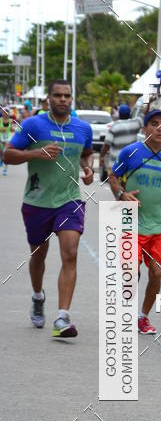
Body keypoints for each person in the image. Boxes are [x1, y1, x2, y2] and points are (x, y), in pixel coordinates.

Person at [4, 79, 94, 337]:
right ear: (48, 99)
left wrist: (88, 168)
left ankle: (62, 318)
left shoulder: (83, 128)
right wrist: (36, 153)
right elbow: (7, 154)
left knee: (70, 252)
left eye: (67, 95)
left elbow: (86, 153)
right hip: (37, 201)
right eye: (57, 95)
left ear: (72, 99)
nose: (62, 99)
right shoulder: (33, 125)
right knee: (38, 256)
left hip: (69, 200)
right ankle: (37, 296)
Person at [108, 109, 161, 335]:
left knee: (157, 274)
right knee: (132, 272)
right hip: (131, 222)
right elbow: (113, 177)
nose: (160, 128)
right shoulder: (131, 152)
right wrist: (121, 194)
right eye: (155, 124)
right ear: (144, 129)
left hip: (160, 225)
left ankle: (143, 316)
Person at [99, 103, 141, 182]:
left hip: (116, 164)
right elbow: (144, 114)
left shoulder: (114, 127)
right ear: (129, 114)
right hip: (130, 163)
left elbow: (107, 145)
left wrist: (102, 157)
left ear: (119, 114)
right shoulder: (136, 123)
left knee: (116, 185)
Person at [0, 108, 13, 175]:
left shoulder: (10, 121)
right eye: (4, 112)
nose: (5, 114)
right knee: (1, 151)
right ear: (2, 113)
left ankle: (5, 170)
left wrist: (12, 129)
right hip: (0, 138)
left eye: (6, 112)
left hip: (8, 138)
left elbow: (11, 129)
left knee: (6, 153)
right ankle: (1, 159)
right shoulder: (0, 120)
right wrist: (1, 129)